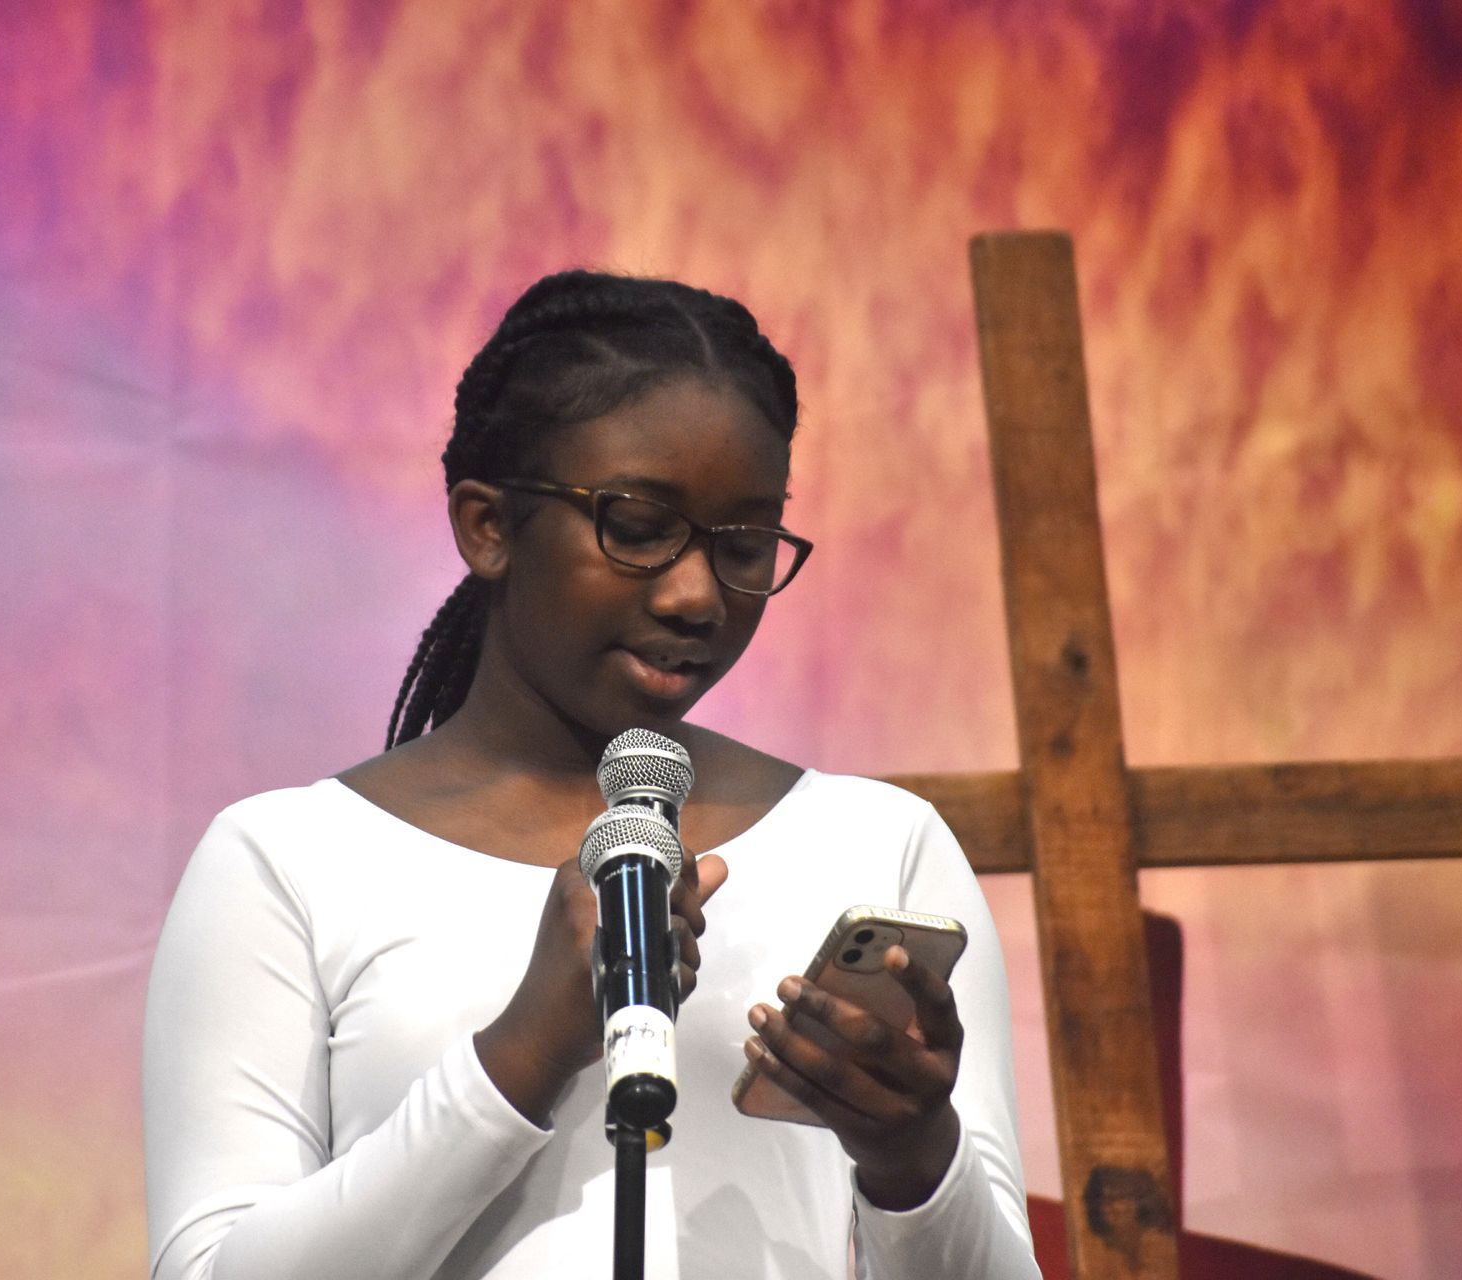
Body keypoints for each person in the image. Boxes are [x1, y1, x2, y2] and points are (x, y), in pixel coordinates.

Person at [143, 270, 1041, 1279]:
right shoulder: (287, 862)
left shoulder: (879, 845)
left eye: (745, 543)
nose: (698, 594)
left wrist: (913, 1157)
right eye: (639, 527)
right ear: (488, 526)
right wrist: (525, 1050)